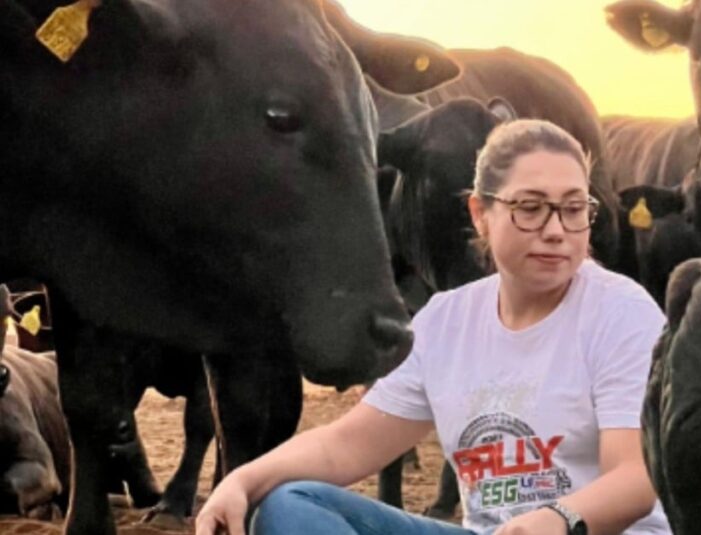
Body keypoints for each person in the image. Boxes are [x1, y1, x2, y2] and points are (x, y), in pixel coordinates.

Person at [195, 119, 671, 535]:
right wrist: (241, 480)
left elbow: (636, 477)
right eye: (530, 208)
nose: (556, 229)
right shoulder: (446, 320)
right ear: (480, 215)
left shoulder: (621, 312)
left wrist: (560, 519)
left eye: (572, 209)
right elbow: (348, 445)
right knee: (288, 507)